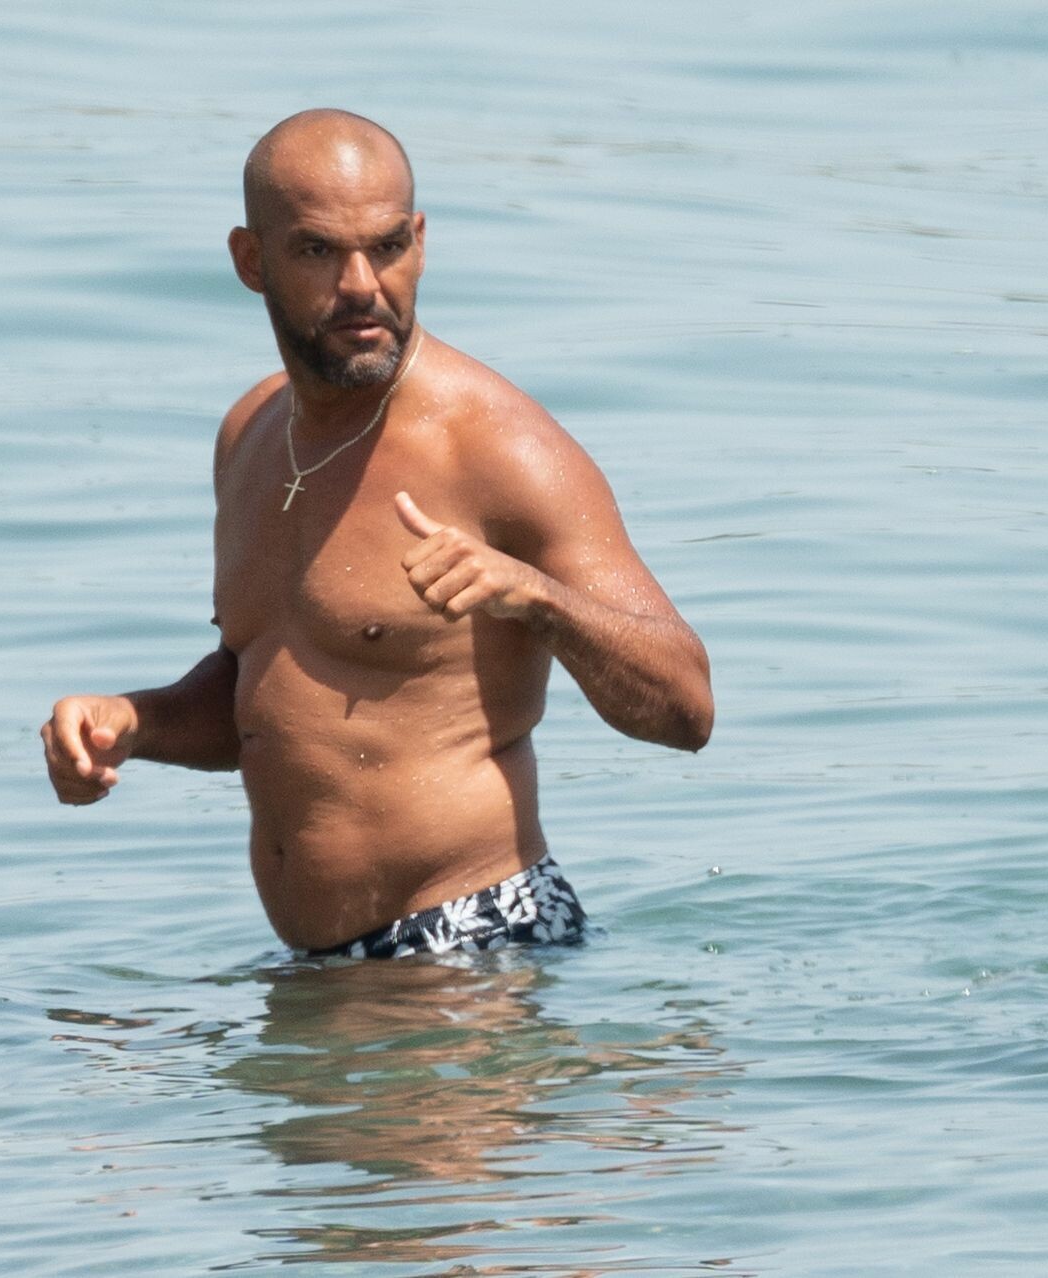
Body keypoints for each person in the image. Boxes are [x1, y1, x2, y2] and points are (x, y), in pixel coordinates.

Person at [40, 109, 714, 958]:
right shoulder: (251, 434)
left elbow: (687, 708)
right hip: (328, 975)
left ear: (420, 244)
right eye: (319, 251)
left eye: (387, 247)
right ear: (252, 261)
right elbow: (278, 693)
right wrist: (134, 723)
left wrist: (537, 600)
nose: (362, 283)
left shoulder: (498, 447)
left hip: (474, 945)